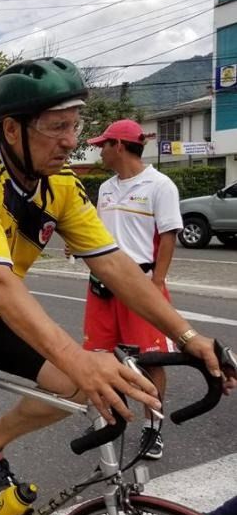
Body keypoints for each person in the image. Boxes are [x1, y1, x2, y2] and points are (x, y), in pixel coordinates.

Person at [0, 57, 235, 515]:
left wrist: (187, 335)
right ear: (12, 129)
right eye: (56, 127)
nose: (71, 140)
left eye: (75, 124)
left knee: (73, 386)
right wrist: (81, 359)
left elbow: (115, 266)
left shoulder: (61, 185)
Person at [83, 119, 183, 460]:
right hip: (101, 284)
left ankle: (153, 427)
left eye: (104, 145)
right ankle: (111, 418)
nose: (100, 150)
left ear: (120, 146)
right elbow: (96, 231)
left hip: (141, 282)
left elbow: (169, 236)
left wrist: (156, 285)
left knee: (150, 360)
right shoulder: (107, 188)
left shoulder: (160, 185)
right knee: (100, 355)